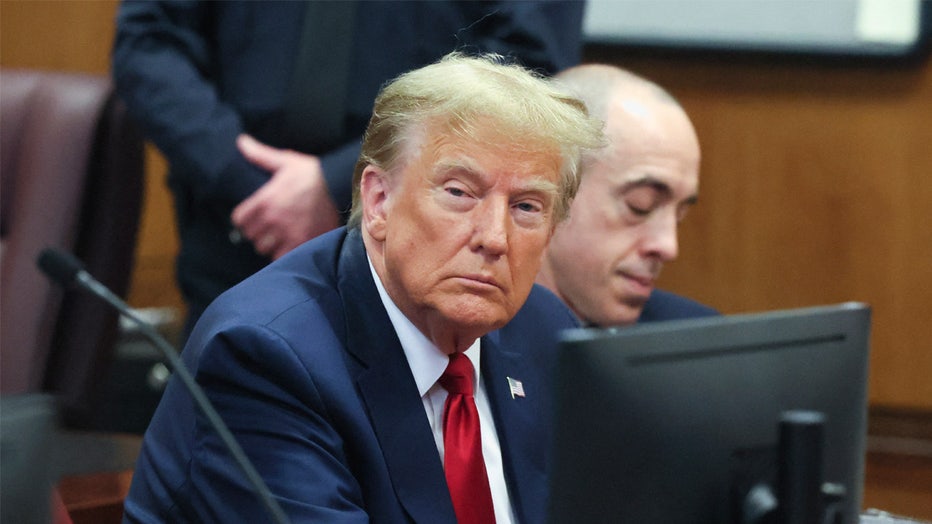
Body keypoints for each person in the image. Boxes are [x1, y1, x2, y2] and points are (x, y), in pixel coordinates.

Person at [122, 53, 604, 523]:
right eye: (459, 193)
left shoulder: (544, 331)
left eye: (526, 207)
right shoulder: (266, 357)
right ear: (378, 202)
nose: (495, 238)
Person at [111, 0, 588, 338]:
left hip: (434, 228)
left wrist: (339, 181)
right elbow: (149, 43)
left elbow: (524, 65)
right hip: (238, 223)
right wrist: (250, 182)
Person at [536, 64, 718, 326]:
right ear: (549, 186)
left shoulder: (695, 340)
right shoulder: (475, 345)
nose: (668, 247)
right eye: (640, 206)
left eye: (679, 217)